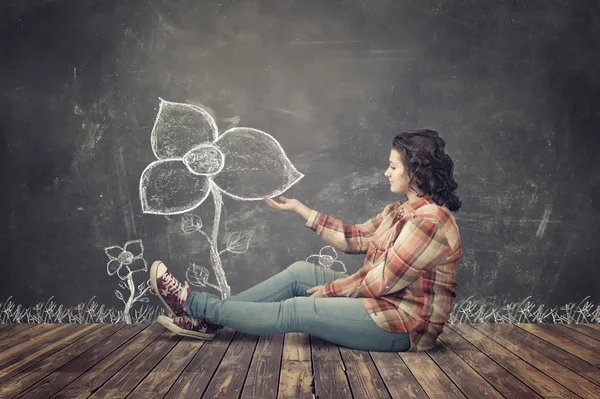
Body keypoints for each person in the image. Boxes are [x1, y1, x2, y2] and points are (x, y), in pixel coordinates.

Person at [150, 129, 462, 352]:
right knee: (301, 272)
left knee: (298, 309)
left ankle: (194, 304)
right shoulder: (401, 210)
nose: (386, 173)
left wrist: (329, 291)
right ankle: (207, 322)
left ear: (415, 171)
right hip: (383, 304)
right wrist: (302, 210)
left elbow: (381, 282)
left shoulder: (429, 222)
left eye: (393, 167)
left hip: (403, 326)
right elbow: (356, 239)